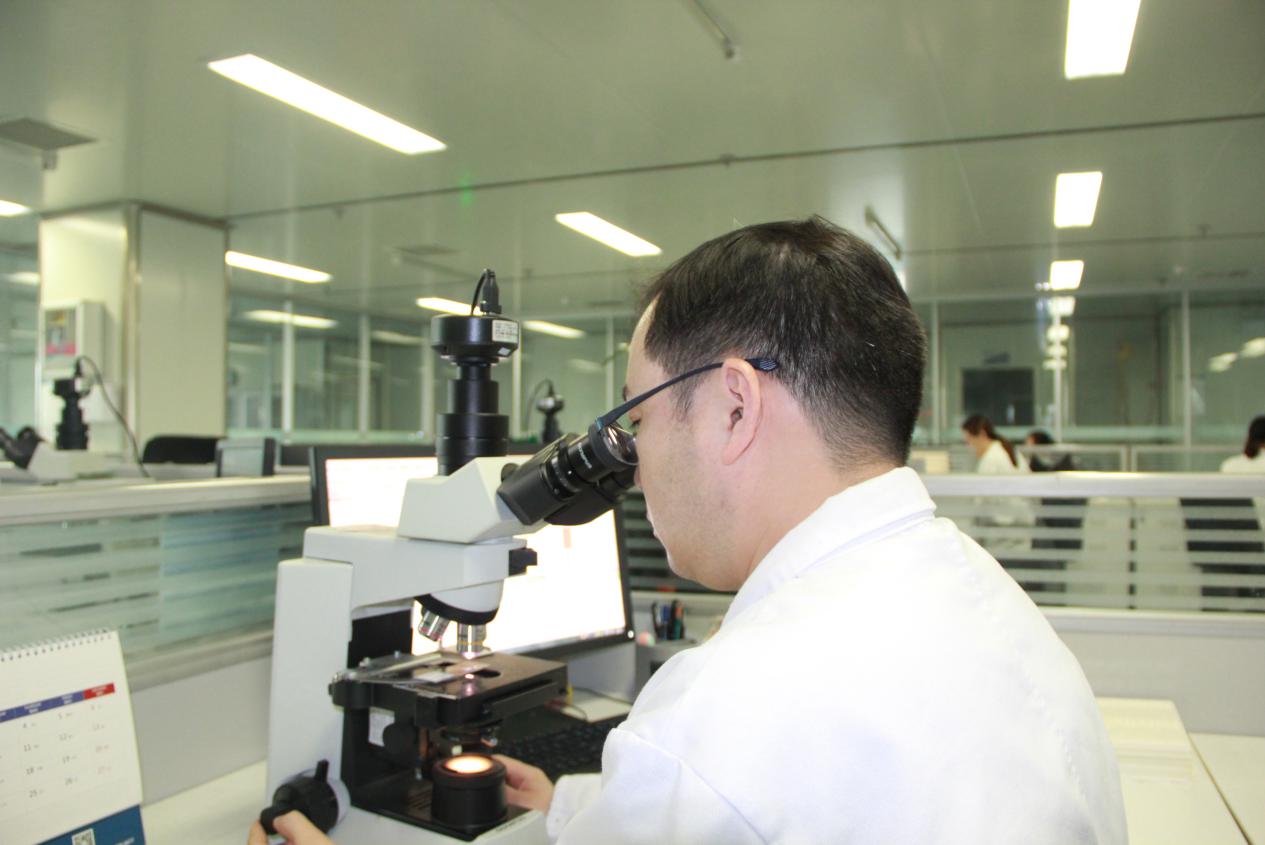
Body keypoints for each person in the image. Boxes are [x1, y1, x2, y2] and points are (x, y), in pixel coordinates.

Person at [252, 217, 1125, 844]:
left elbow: (713, 782)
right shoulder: (998, 611)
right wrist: (571, 806)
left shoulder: (722, 716)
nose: (634, 464)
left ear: (734, 405)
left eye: (638, 417)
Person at [962, 414, 1030, 474]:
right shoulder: (1006, 448)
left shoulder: (991, 458)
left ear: (982, 434)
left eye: (969, 439)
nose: (969, 445)